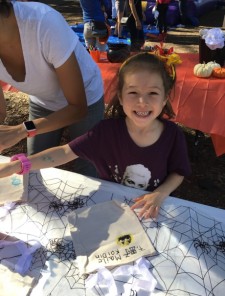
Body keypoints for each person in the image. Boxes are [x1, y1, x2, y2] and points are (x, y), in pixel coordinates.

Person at [0, 52, 191, 219]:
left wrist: (160, 194)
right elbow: (65, 152)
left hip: (154, 210)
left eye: (152, 93)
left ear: (165, 98)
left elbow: (179, 171)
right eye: (133, 92)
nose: (142, 102)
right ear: (121, 97)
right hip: (112, 207)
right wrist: (20, 164)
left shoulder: (173, 135)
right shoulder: (105, 132)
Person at [0, 0, 105, 177]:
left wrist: (20, 131)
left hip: (86, 98)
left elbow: (78, 109)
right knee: (32, 168)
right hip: (43, 100)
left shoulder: (44, 22)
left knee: (87, 168)